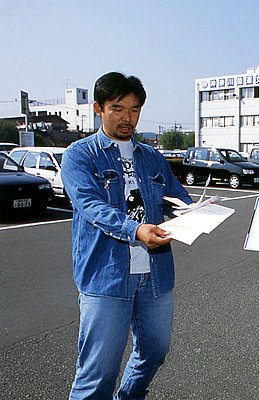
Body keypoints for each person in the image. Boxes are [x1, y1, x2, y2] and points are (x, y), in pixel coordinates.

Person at [62, 72, 194, 399]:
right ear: (98, 108)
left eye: (134, 109)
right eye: (117, 108)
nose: (127, 117)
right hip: (106, 275)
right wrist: (134, 229)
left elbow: (176, 197)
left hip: (155, 274)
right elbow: (91, 206)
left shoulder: (151, 157)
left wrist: (200, 210)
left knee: (154, 352)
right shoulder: (80, 155)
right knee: (98, 373)